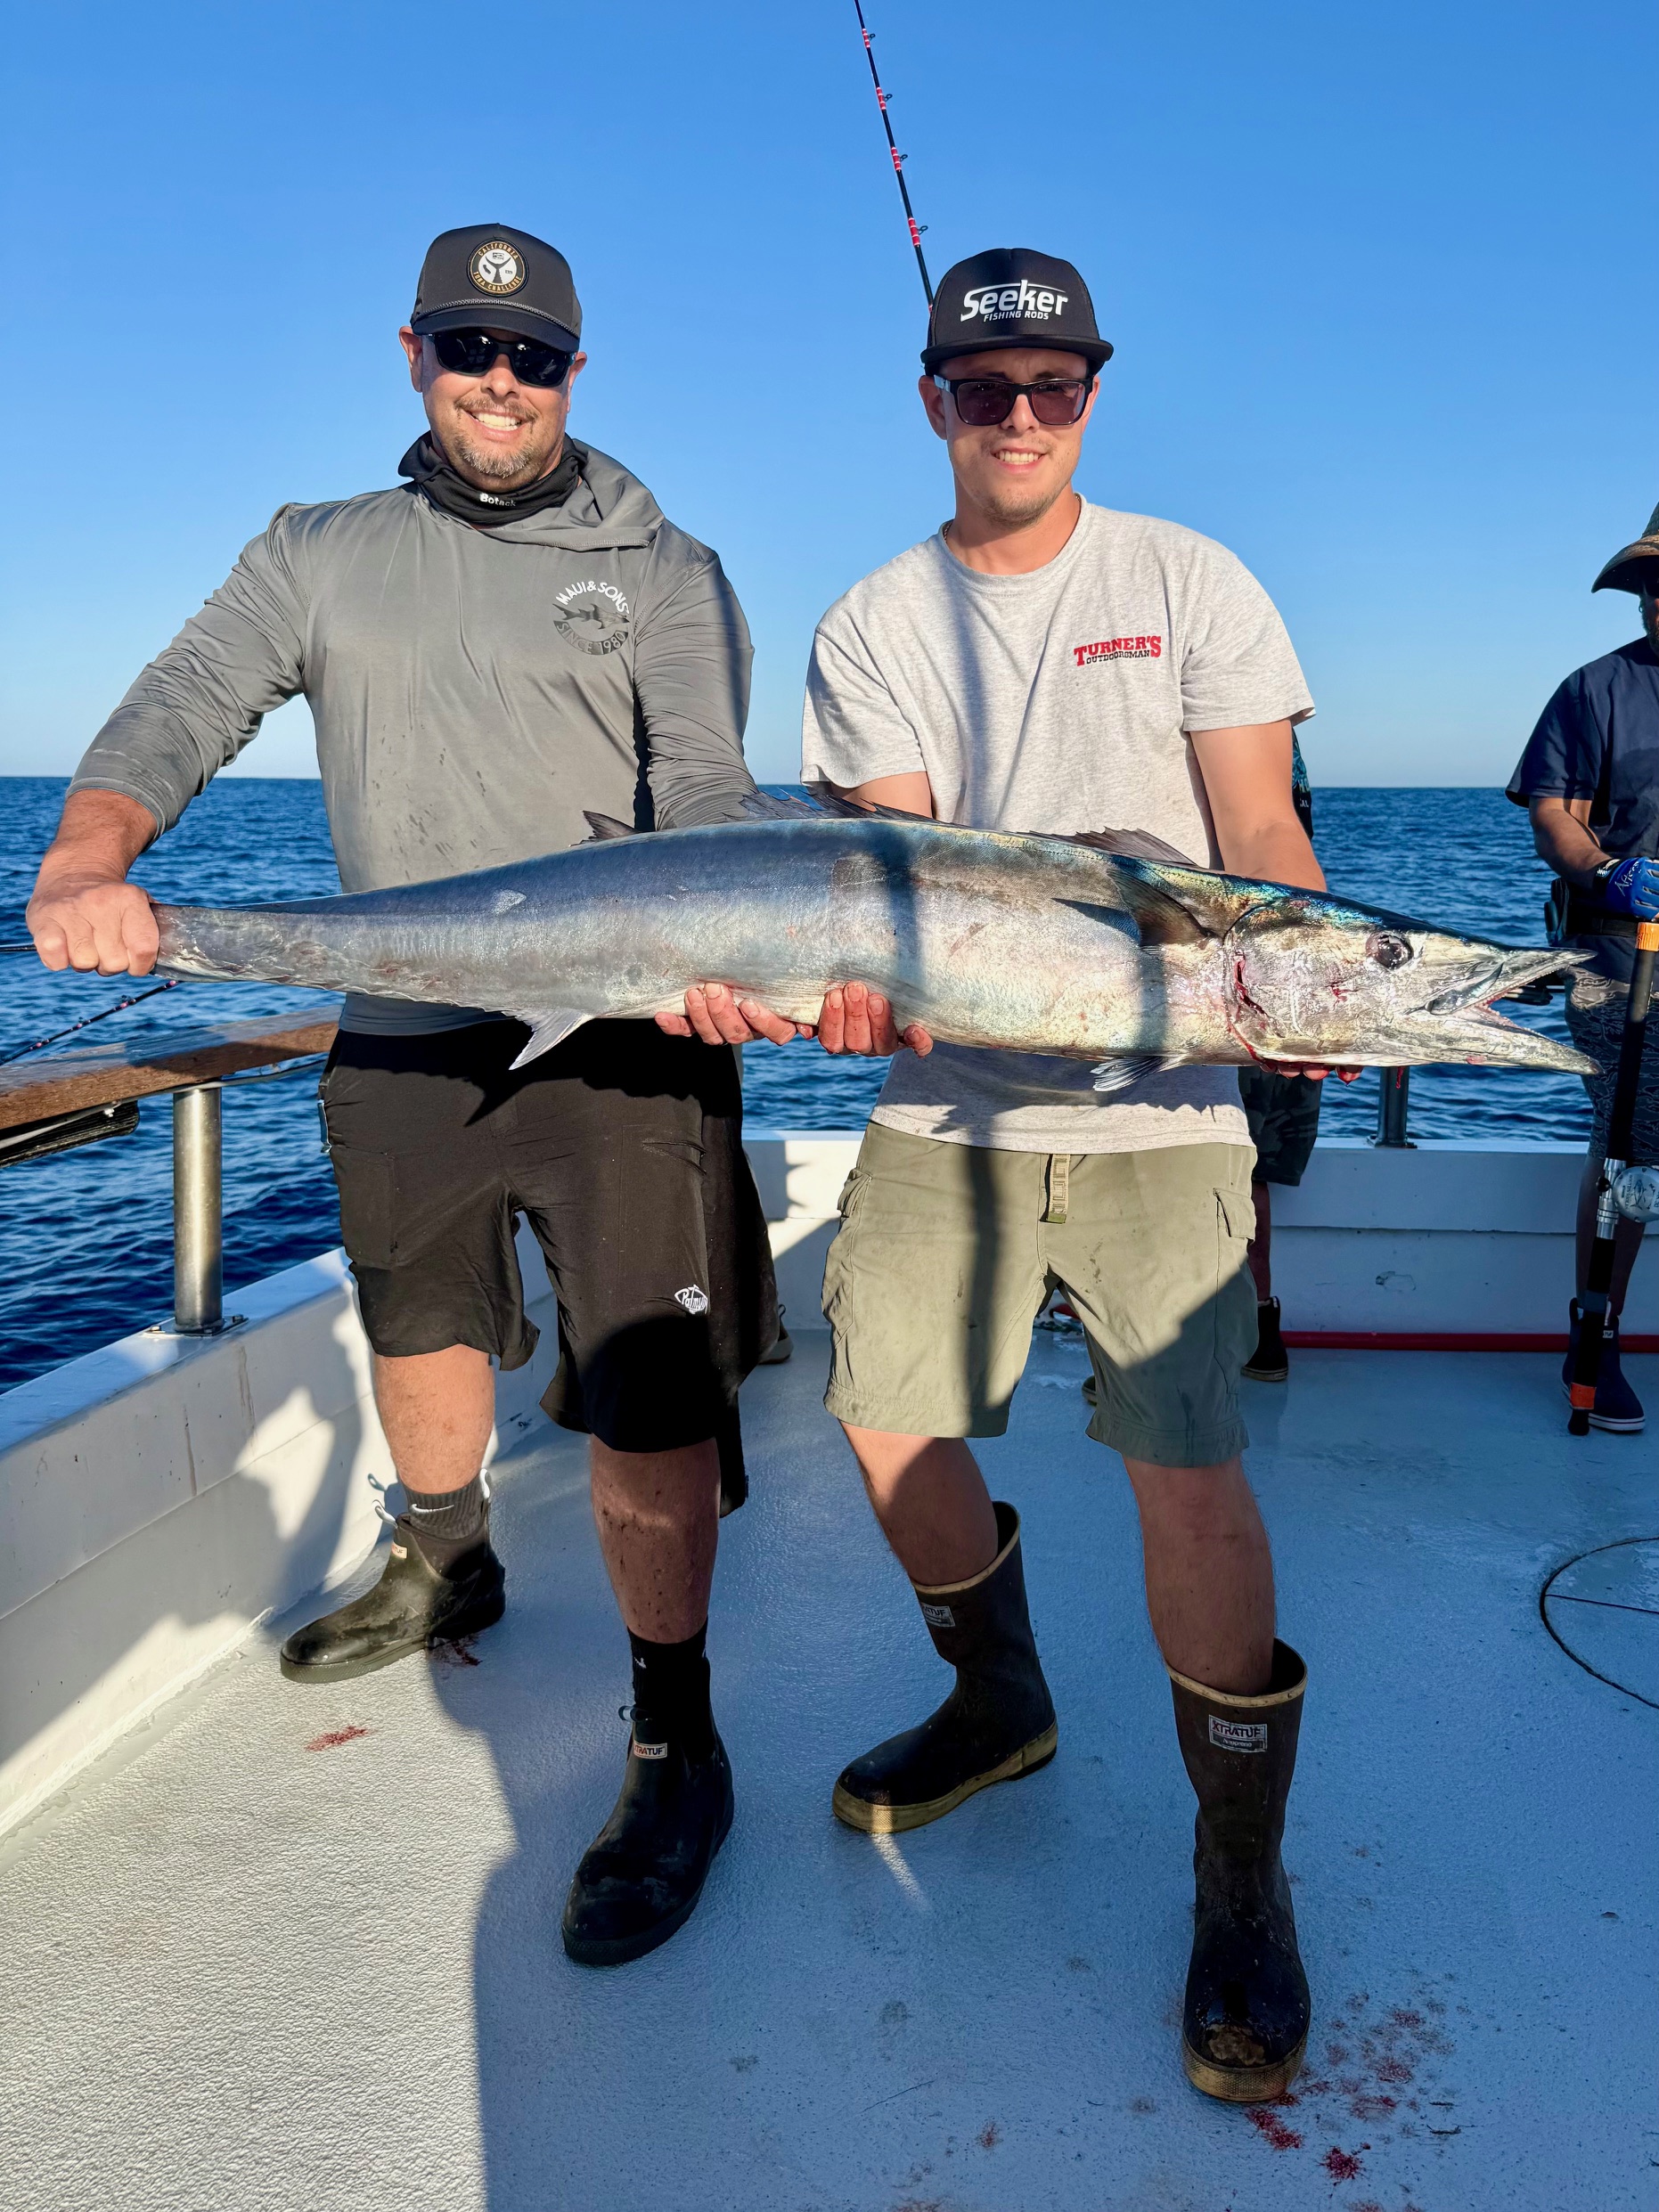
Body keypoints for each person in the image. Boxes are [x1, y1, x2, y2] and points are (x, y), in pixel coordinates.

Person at [26, 224, 779, 1968]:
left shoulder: (664, 562)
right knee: (419, 1322)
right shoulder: (318, 550)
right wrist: (91, 844)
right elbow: (190, 693)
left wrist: (754, 933)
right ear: (414, 353)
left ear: (575, 373)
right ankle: (447, 1551)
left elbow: (715, 790)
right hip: (399, 1020)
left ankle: (676, 1725)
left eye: (530, 357)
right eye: (466, 347)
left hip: (622, 1041)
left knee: (645, 1398)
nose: (497, 381)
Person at [796, 246, 1333, 2103]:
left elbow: (1255, 829)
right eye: (980, 386)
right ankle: (1001, 1695)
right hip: (943, 1101)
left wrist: (1310, 964)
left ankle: (1238, 1861)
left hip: (1163, 1105)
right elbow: (885, 885)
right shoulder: (870, 618)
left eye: (1052, 385)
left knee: (1181, 1472)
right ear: (931, 398)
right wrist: (826, 988)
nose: (1018, 415)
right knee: (878, 1419)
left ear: (1093, 391)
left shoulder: (1190, 580)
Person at [1508, 502, 1659, 1433]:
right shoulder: (1591, 690)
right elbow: (1550, 814)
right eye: (1650, 584)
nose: (1657, 599)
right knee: (1634, 1145)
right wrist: (1608, 868)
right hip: (1620, 959)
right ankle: (1592, 1334)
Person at [1237, 735, 1324, 1381]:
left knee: (1238, 1169)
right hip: (1268, 973)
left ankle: (1256, 1326)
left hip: (1245, 975)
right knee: (1252, 1173)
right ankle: (1261, 1327)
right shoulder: (1274, 739)